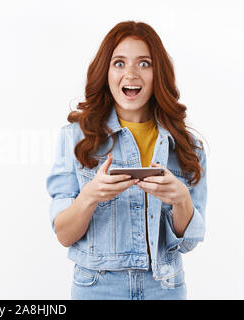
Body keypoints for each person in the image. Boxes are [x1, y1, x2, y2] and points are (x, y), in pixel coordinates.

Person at [46, 21, 207, 300]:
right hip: (98, 289)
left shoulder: (186, 146)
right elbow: (63, 235)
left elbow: (188, 242)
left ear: (159, 73)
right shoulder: (74, 138)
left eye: (144, 63)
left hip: (165, 288)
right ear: (105, 72)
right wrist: (90, 196)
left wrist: (182, 200)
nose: (131, 73)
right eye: (119, 63)